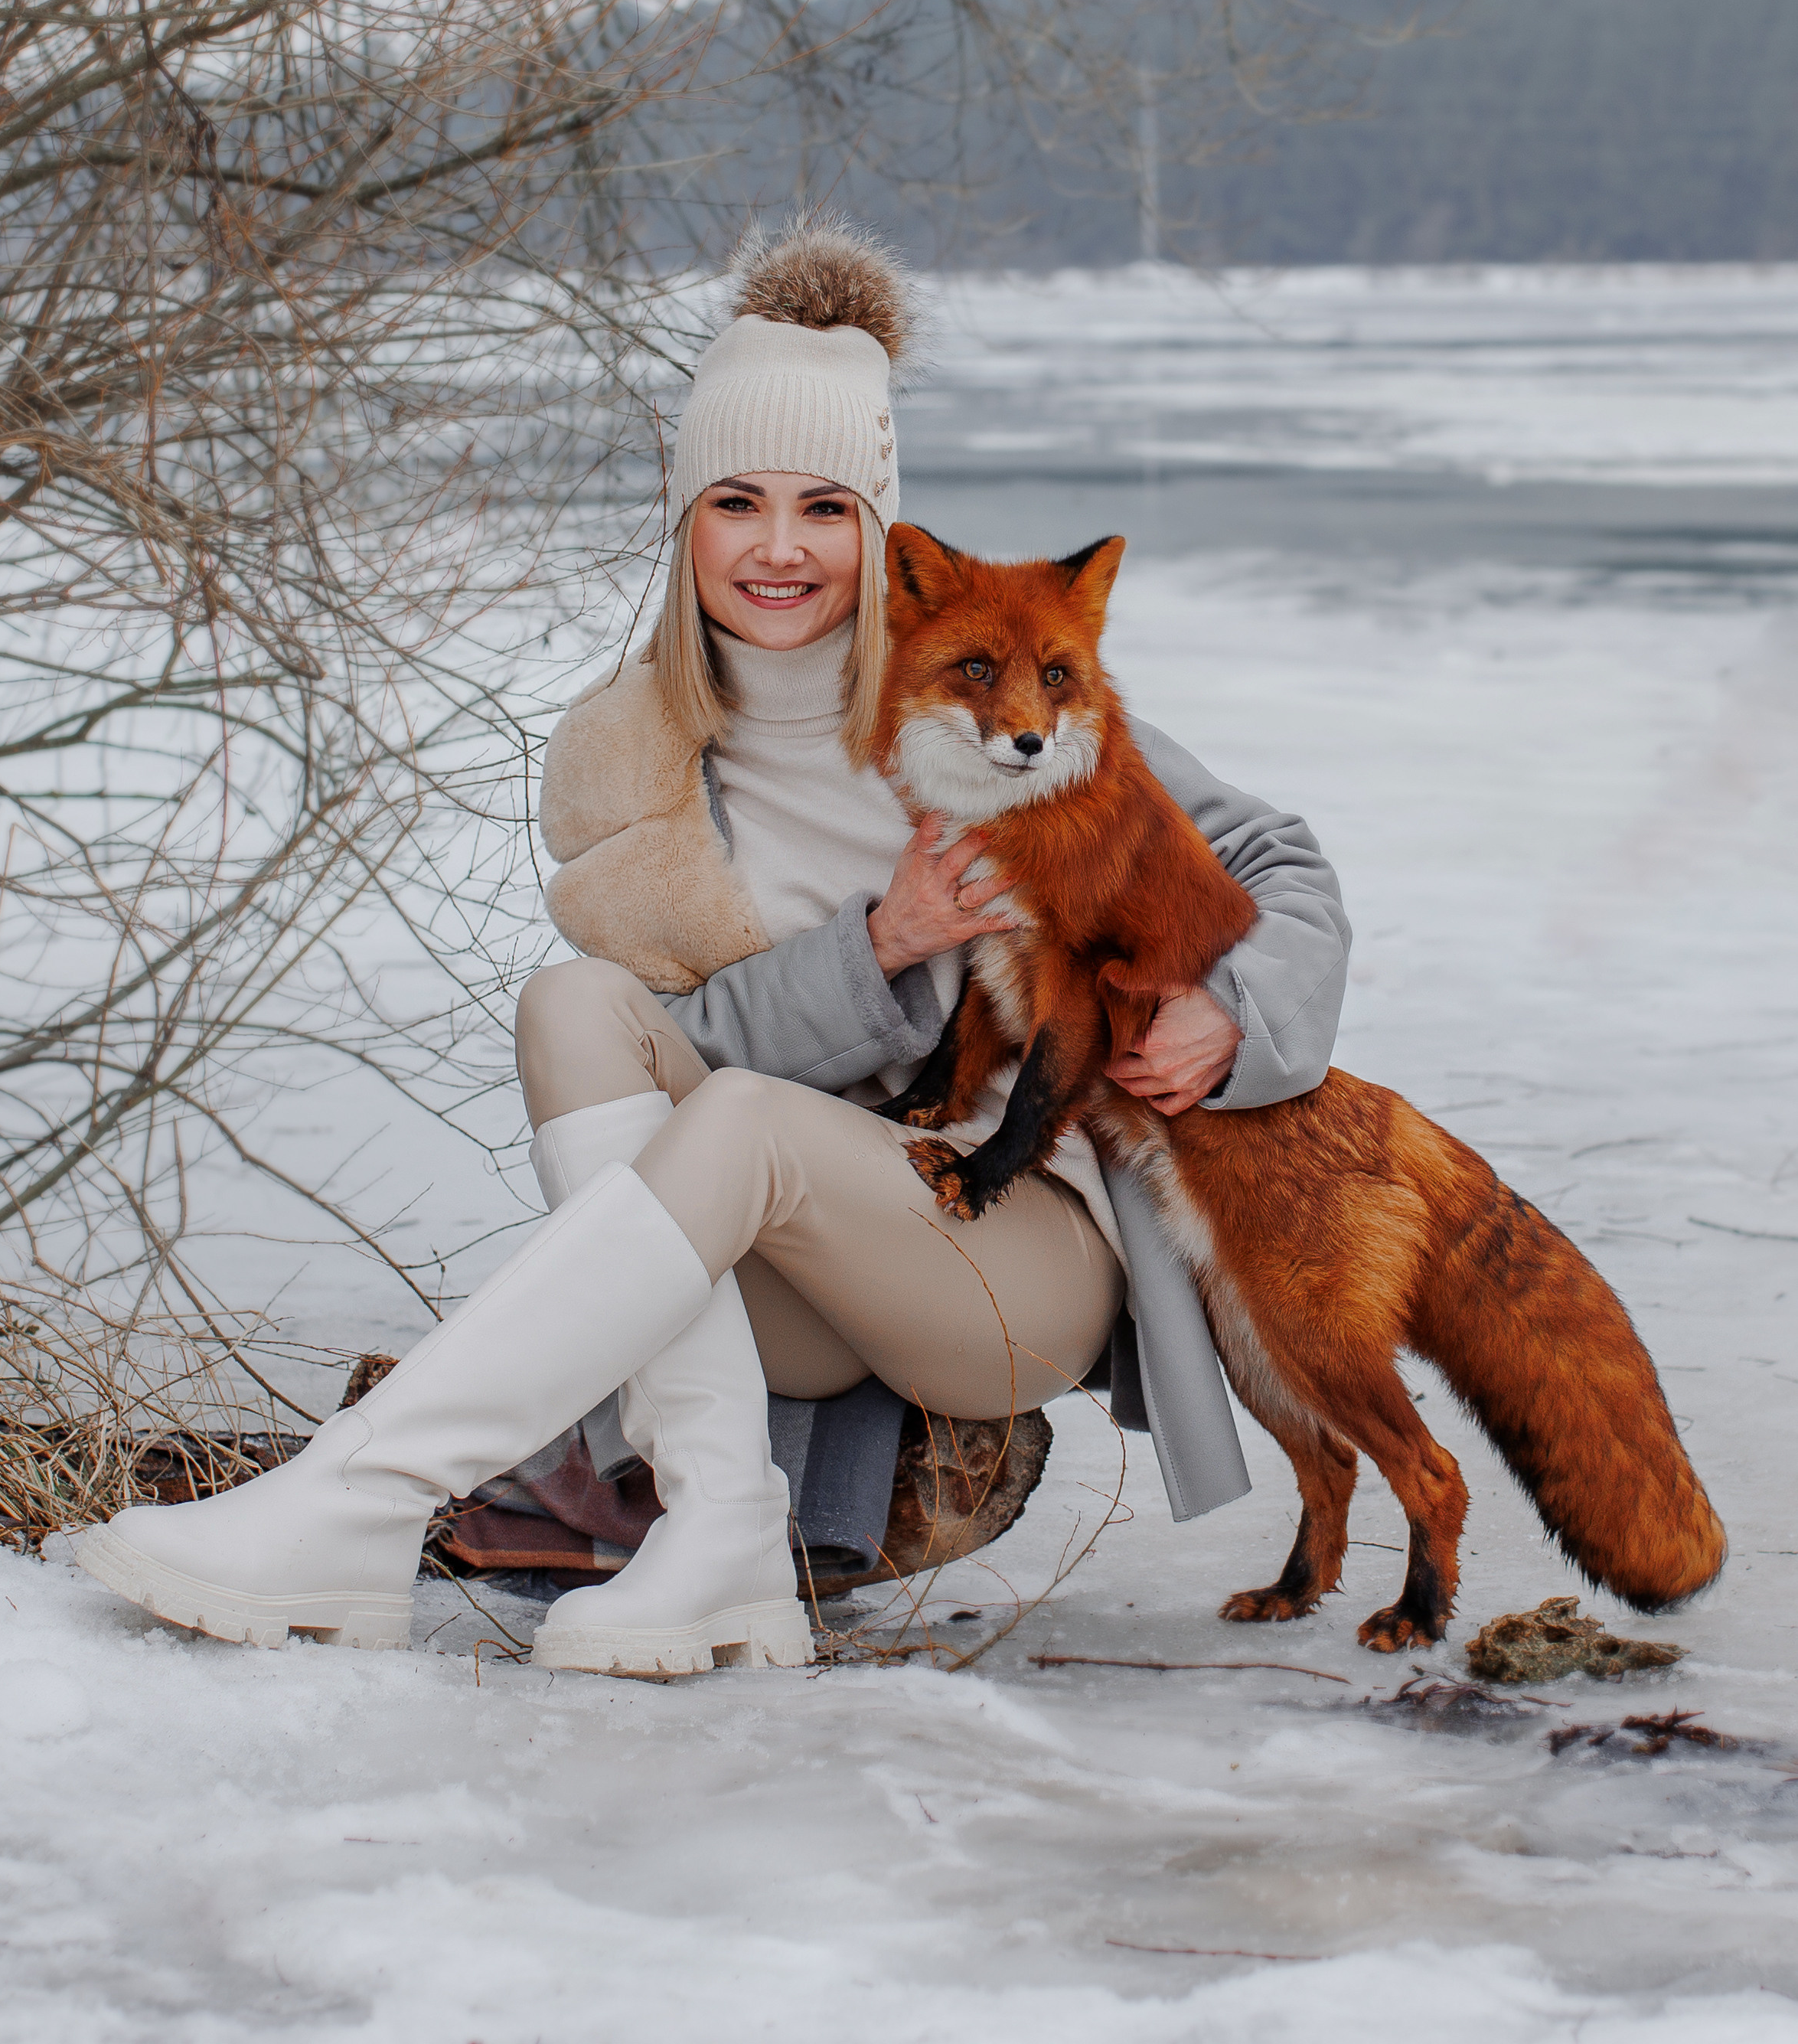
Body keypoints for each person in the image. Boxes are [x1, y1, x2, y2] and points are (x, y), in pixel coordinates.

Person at [76, 221, 1350, 1677]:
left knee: (743, 1121)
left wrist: (1236, 1017)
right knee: (577, 1004)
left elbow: (1279, 865)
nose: (782, 548)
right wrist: (886, 946)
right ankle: (722, 1517)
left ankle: (357, 1504)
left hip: (1012, 1256)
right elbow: (697, 1075)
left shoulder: (989, 697)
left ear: (879, 527)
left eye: (824, 506)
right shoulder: (642, 769)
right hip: (774, 1282)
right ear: (686, 519)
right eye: (738, 501)